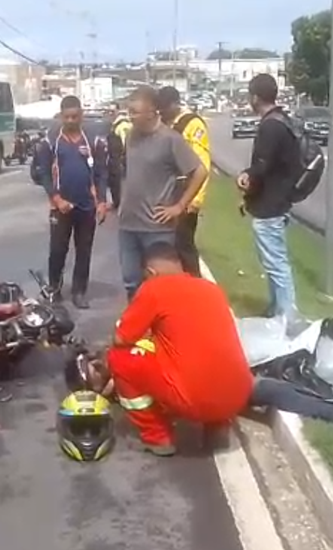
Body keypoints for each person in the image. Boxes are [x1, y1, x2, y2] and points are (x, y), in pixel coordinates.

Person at [104, 242, 253, 456]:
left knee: (120, 357)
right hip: (238, 395)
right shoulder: (211, 289)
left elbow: (120, 339)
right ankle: (218, 427)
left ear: (150, 272)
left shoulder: (154, 288)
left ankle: (157, 437)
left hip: (194, 399)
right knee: (207, 355)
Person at [117, 85, 208, 300]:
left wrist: (179, 206)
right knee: (131, 282)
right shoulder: (131, 136)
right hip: (128, 225)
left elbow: (200, 171)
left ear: (152, 112)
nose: (130, 117)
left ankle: (164, 330)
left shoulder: (170, 139)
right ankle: (138, 328)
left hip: (156, 228)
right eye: (129, 111)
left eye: (134, 112)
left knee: (162, 286)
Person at [32, 95, 110, 309]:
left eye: (75, 116)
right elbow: (44, 174)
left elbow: (102, 173)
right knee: (57, 250)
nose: (70, 121)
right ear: (61, 116)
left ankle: (79, 291)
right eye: (66, 117)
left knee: (84, 250)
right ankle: (54, 289)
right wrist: (56, 198)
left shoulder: (93, 141)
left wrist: (102, 201)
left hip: (86, 205)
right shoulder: (51, 142)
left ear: (81, 115)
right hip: (61, 207)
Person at [237, 74, 299, 318]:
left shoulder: (270, 126)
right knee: (273, 263)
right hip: (278, 200)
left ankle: (288, 317)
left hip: (270, 205)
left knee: (276, 264)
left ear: (254, 97)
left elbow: (261, 166)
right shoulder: (282, 120)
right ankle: (276, 310)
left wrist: (245, 177)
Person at [155, 86, 211, 277]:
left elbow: (202, 164)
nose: (160, 112)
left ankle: (195, 288)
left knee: (184, 246)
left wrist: (194, 201)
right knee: (169, 248)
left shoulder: (192, 125)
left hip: (186, 198)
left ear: (174, 104)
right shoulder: (165, 123)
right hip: (168, 196)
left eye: (163, 107)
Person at [107, 109, 132, 209]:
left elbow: (124, 140)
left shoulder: (121, 125)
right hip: (127, 155)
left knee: (119, 179)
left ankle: (120, 203)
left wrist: (123, 155)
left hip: (123, 156)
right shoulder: (125, 124)